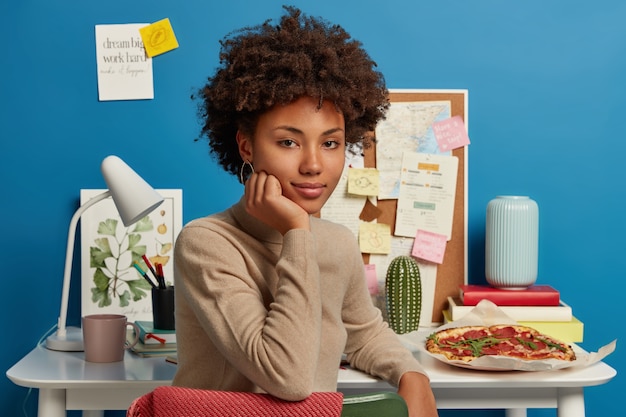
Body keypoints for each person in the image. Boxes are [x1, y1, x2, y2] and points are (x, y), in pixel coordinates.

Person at [172, 6, 439, 417]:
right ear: (246, 147)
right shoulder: (206, 244)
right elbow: (288, 377)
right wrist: (297, 231)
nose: (314, 164)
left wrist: (411, 373)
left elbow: (363, 333)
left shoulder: (336, 243)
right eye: (289, 142)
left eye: (330, 143)